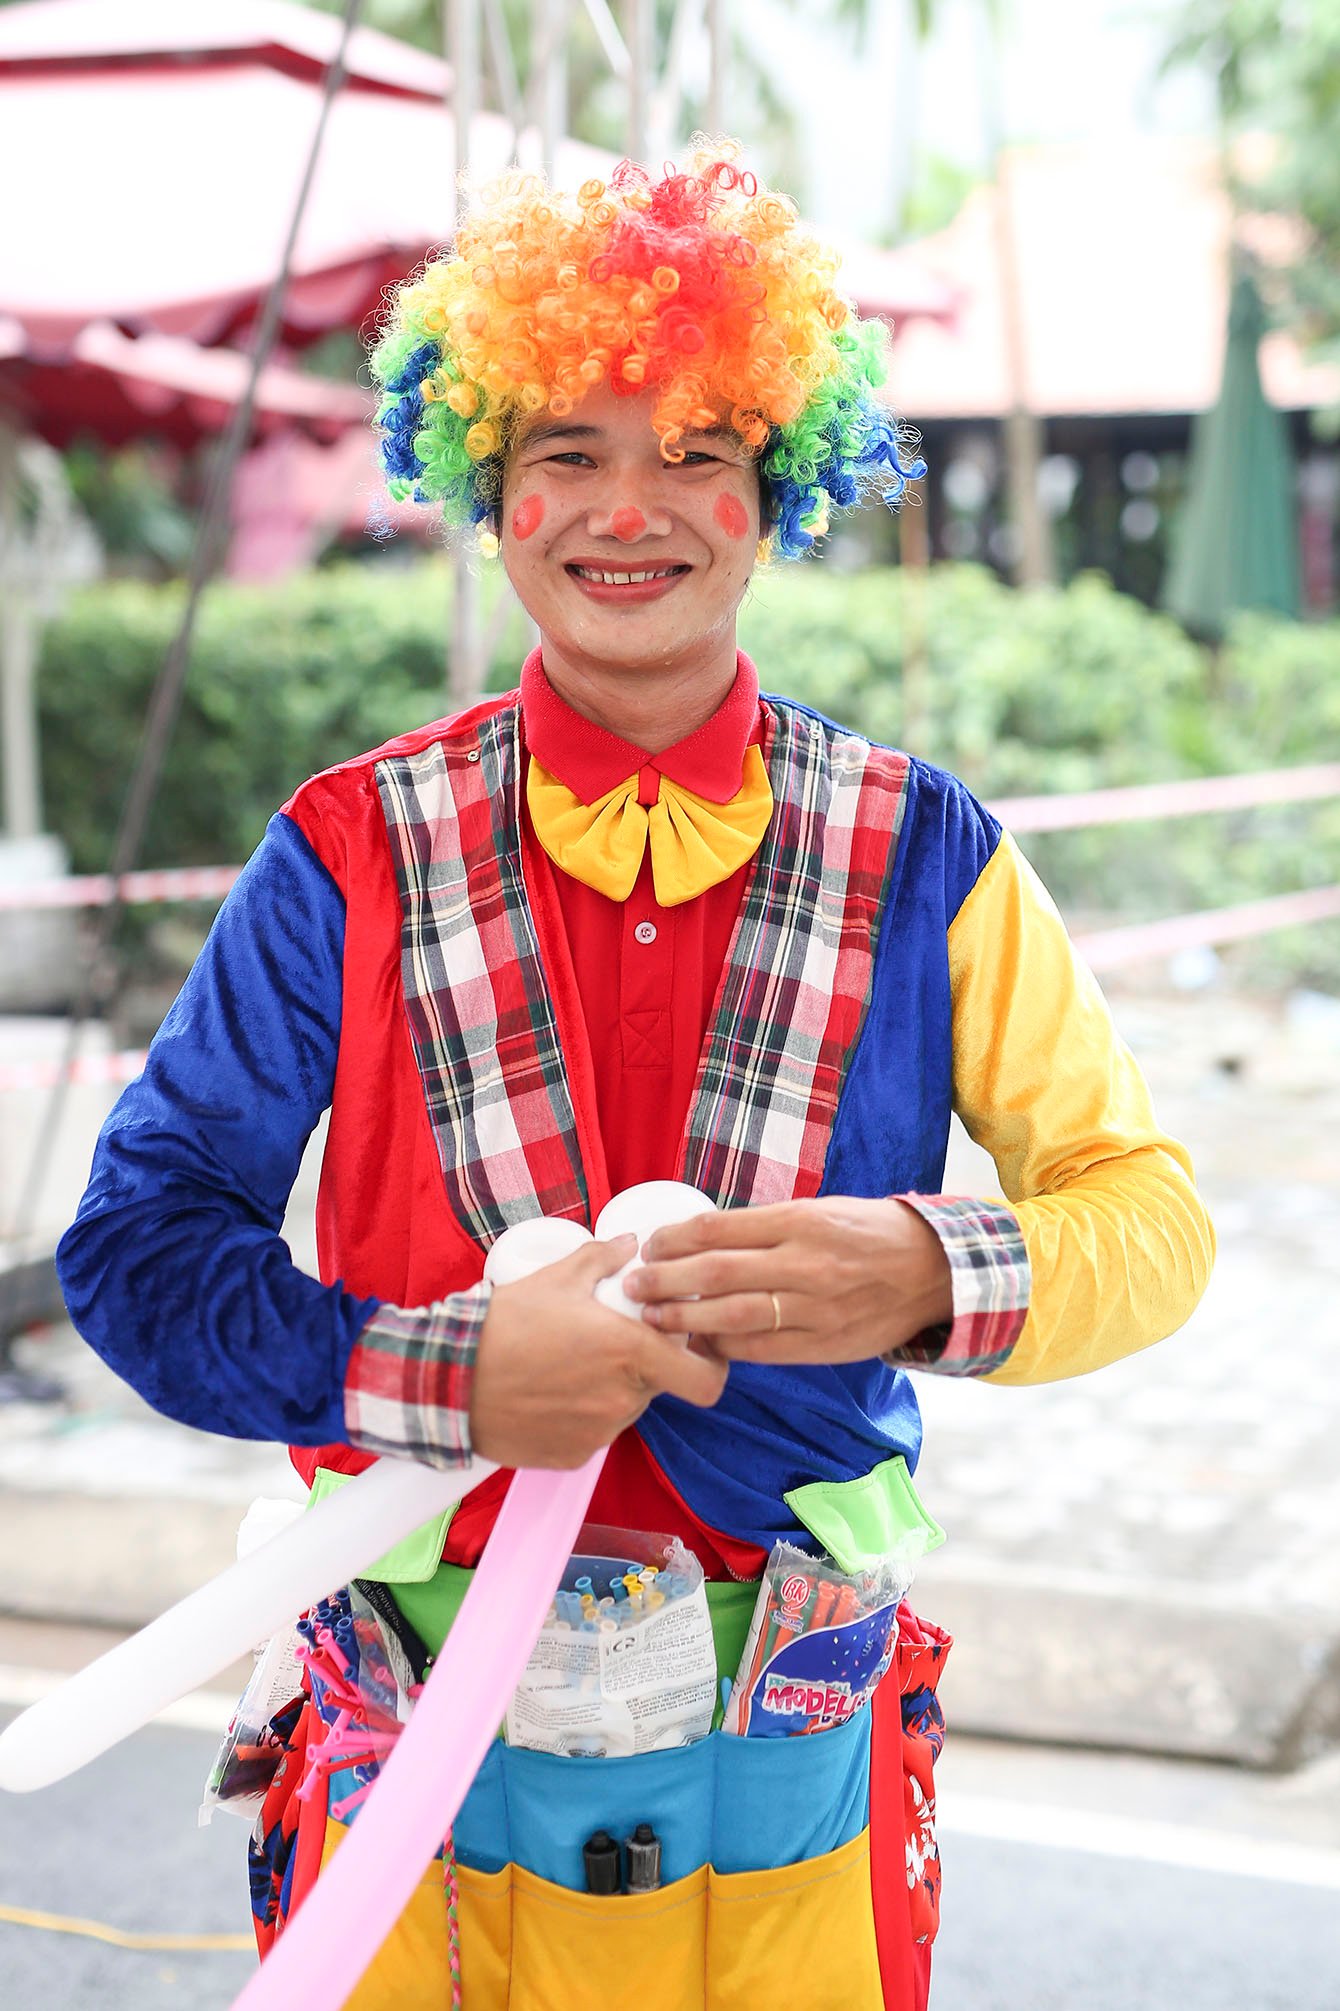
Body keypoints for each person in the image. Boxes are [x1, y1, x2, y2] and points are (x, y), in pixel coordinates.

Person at [57, 147, 1214, 2010]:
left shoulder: (931, 854)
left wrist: (927, 1270)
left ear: (777, 492)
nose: (628, 508)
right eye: (568, 452)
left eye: (695, 451)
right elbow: (137, 1245)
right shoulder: (347, 851)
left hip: (792, 1746)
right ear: (488, 490)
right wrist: (440, 1373)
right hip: (416, 1742)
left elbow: (1149, 1216)